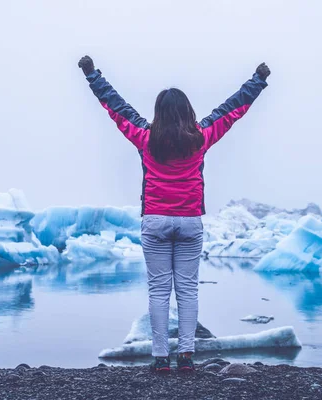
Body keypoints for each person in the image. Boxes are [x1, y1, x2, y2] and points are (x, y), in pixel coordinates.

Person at [78, 55, 270, 372]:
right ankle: (186, 356)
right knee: (188, 289)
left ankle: (160, 358)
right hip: (190, 220)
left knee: (158, 290)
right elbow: (231, 110)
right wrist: (257, 80)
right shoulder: (202, 136)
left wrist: (92, 74)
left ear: (159, 112)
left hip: (155, 219)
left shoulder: (143, 136)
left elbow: (116, 107)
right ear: (187, 111)